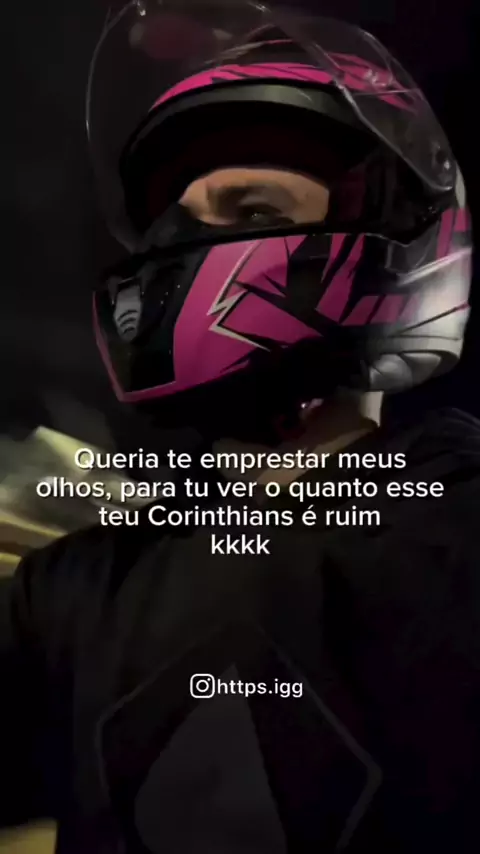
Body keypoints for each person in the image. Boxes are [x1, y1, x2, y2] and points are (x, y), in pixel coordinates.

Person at [1, 2, 479, 852]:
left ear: (391, 234)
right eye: (176, 225)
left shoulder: (458, 534)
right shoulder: (80, 587)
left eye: (251, 211)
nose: (183, 253)